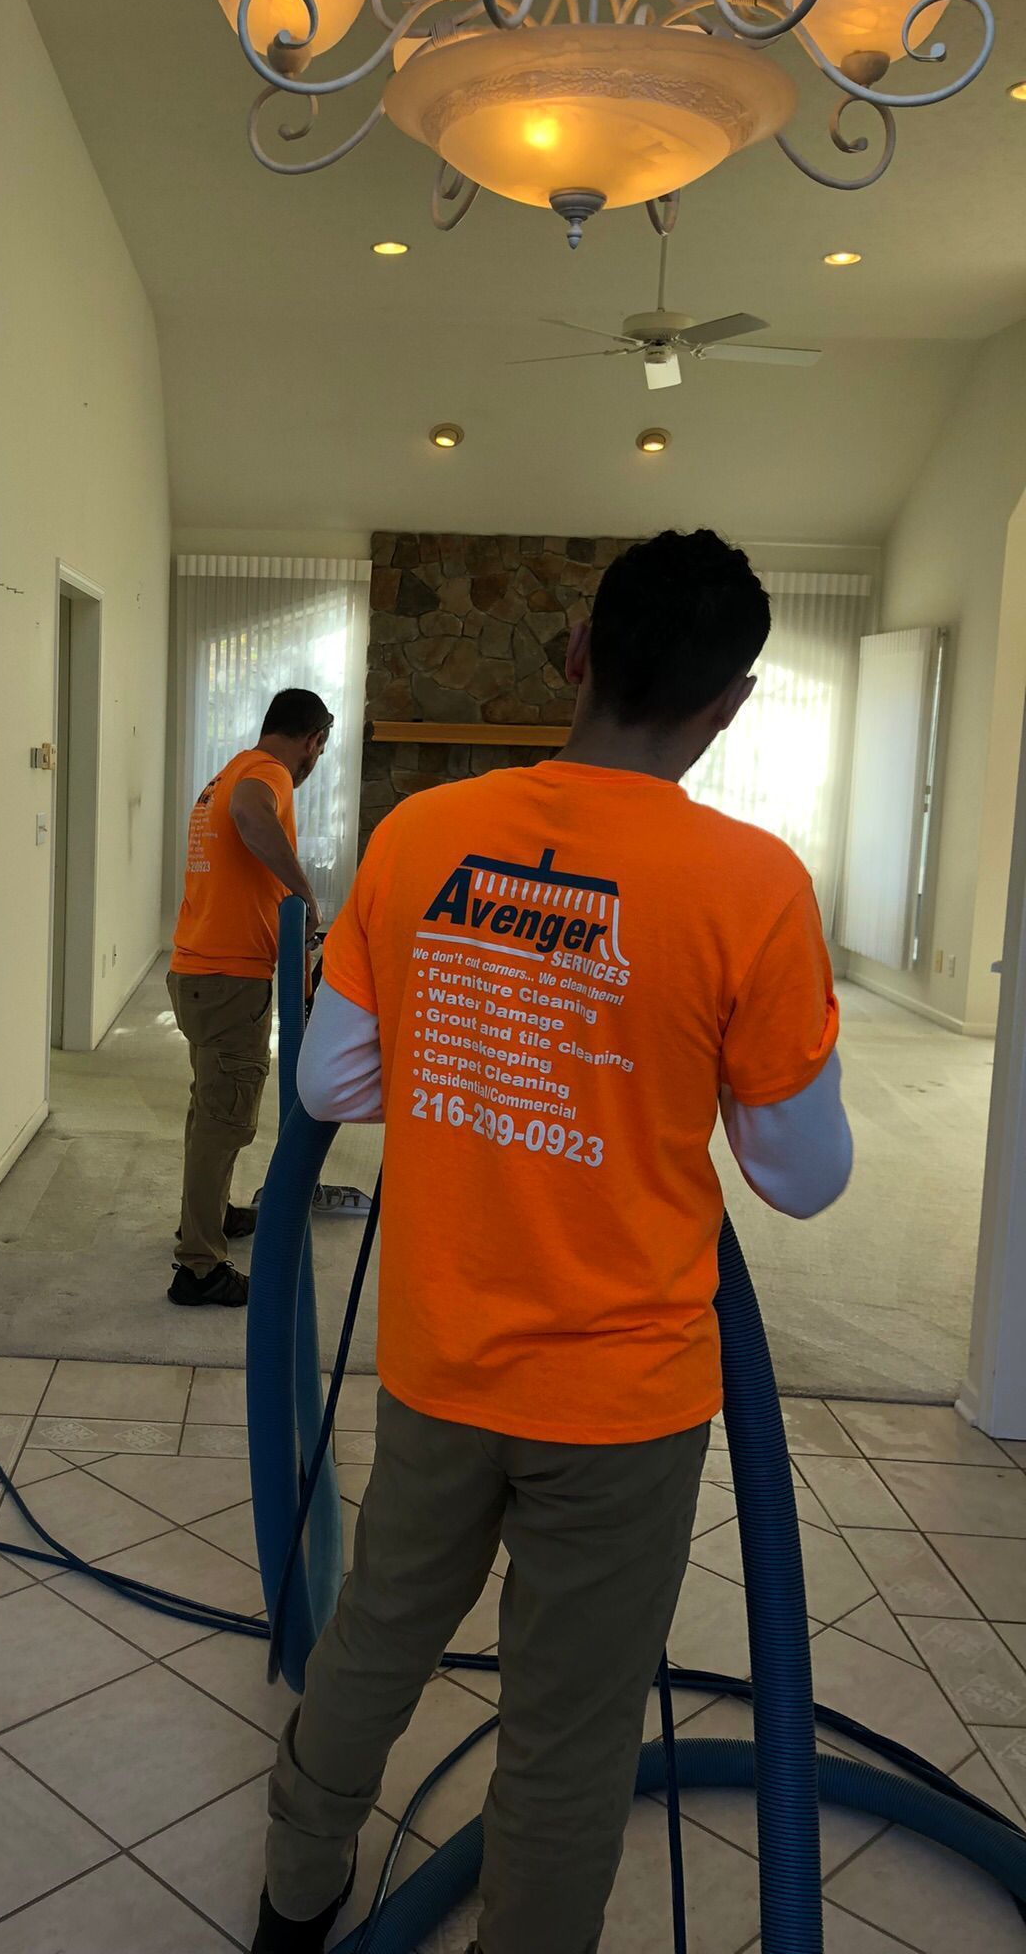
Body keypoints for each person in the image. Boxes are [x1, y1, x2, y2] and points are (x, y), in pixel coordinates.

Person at [251, 530, 854, 1954]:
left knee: (378, 1637)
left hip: (442, 1360)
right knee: (569, 1739)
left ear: (576, 652)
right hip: (625, 1406)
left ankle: (292, 1897)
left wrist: (479, 1039)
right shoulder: (752, 886)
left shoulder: (422, 838)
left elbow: (331, 1084)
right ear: (731, 703)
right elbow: (804, 1174)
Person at [167, 687, 334, 1310]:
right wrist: (305, 895)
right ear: (313, 740)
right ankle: (199, 1269)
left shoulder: (228, 768)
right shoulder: (265, 775)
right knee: (225, 1119)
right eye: (318, 749)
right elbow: (251, 813)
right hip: (228, 983)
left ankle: (203, 1221)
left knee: (208, 1110)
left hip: (198, 973)